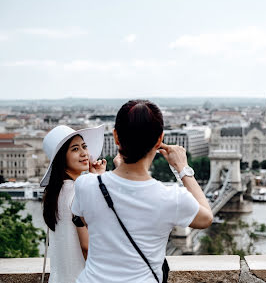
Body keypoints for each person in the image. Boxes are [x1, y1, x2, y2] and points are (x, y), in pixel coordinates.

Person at [71, 100, 213, 283]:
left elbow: (92, 222)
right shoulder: (172, 198)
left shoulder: (85, 185)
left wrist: (114, 174)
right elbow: (206, 217)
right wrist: (183, 168)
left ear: (116, 137)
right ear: (159, 140)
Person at [41, 125, 106, 283]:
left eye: (84, 146)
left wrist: (93, 179)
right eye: (75, 149)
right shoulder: (80, 193)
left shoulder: (54, 194)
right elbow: (87, 247)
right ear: (62, 157)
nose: (84, 153)